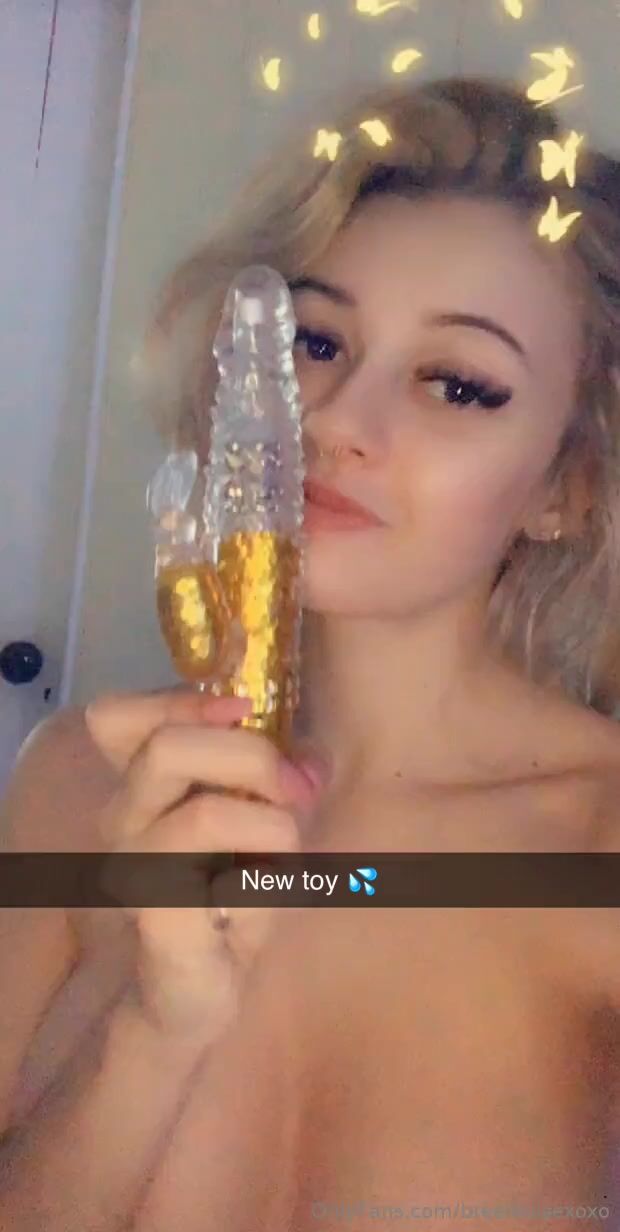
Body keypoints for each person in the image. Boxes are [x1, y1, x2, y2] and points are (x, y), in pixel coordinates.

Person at [2, 74, 620, 1230]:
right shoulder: (78, 780)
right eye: (315, 339)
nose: (334, 418)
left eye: (457, 384)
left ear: (565, 486)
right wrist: (153, 1026)